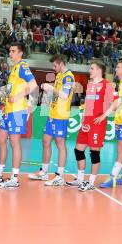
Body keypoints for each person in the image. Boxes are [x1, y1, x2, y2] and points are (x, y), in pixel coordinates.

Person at [0, 43, 37, 188]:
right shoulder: (14, 69)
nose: (10, 54)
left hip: (18, 111)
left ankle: (14, 178)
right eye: (10, 51)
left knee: (14, 143)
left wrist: (19, 96)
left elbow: (33, 84)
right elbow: (9, 91)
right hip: (9, 111)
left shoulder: (23, 66)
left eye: (13, 51)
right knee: (1, 139)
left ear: (21, 53)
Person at [66, 62, 115, 191]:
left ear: (99, 70)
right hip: (86, 122)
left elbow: (116, 102)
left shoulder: (107, 85)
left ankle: (91, 182)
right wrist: (83, 115)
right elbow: (88, 102)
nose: (90, 70)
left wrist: (104, 116)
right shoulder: (90, 84)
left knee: (94, 152)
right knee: (78, 149)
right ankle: (80, 179)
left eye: (92, 68)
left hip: (97, 123)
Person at [29, 54, 75, 186]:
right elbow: (57, 94)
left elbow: (65, 96)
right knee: (46, 140)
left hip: (61, 115)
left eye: (55, 65)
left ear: (61, 63)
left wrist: (51, 88)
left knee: (60, 144)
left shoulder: (68, 76)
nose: (53, 68)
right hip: (52, 113)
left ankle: (59, 175)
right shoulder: (59, 75)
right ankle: (44, 172)